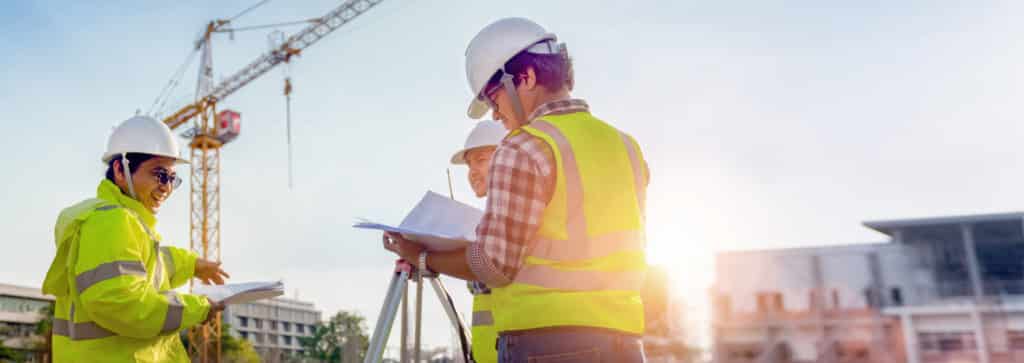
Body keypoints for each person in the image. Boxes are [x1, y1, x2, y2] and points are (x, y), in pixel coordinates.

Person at [384, 17, 650, 362]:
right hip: (626, 343)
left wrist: (422, 256)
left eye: (494, 99)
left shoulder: (523, 146)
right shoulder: (626, 146)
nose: (495, 115)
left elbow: (494, 265)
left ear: (525, 77)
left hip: (549, 346)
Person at [42, 115, 231, 362]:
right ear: (120, 170)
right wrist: (198, 308)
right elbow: (123, 303)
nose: (166, 187)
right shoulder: (112, 221)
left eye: (172, 178)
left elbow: (149, 265)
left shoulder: (125, 222)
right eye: (159, 174)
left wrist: (192, 264)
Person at [450, 120, 507, 363]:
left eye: (481, 160)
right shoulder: (486, 222)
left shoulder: (509, 219)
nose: (472, 171)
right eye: (469, 164)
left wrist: (423, 258)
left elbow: (489, 274)